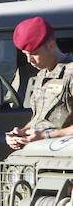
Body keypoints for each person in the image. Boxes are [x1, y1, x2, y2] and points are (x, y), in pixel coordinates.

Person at [6, 16, 73, 148]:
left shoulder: (70, 74)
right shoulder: (42, 75)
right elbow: (40, 119)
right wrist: (22, 132)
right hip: (40, 153)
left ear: (51, 45)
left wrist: (45, 136)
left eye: (34, 53)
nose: (29, 60)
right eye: (25, 54)